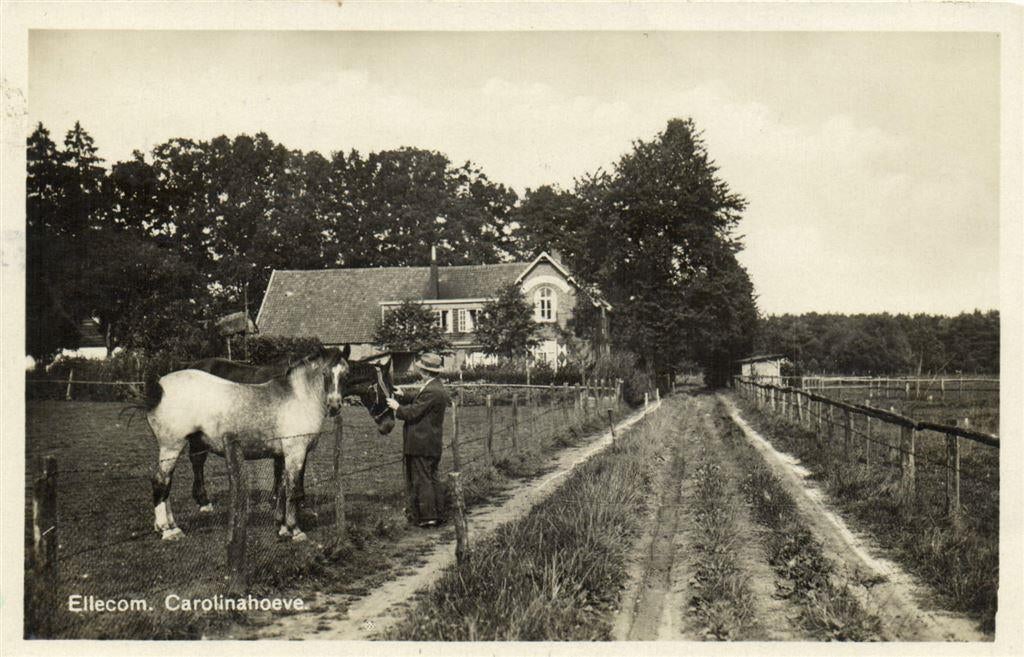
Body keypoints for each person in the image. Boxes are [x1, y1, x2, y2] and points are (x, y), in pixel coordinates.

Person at [386, 353, 450, 527]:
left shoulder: (431, 390)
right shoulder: (436, 386)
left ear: (425, 372)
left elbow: (413, 412)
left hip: (422, 443)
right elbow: (419, 399)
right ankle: (438, 513)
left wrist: (397, 407)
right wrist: (403, 394)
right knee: (432, 477)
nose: (419, 370)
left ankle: (428, 517)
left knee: (422, 479)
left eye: (420, 368)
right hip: (431, 442)